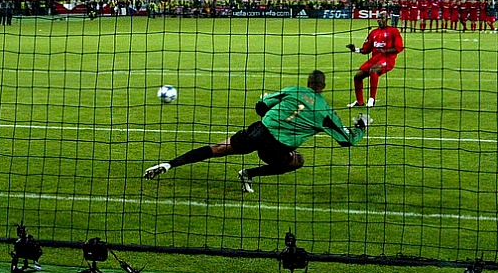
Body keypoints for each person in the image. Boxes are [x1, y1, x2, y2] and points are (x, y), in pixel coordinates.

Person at [143, 70, 371, 193]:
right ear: (322, 87)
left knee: (217, 149)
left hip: (260, 132)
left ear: (308, 82)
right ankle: (249, 174)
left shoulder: (293, 90)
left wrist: (268, 111)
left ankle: (167, 165)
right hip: (277, 149)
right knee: (297, 161)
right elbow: (346, 140)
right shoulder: (326, 111)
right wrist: (361, 125)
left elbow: (261, 106)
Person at [345, 11, 404, 108]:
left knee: (373, 71)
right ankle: (359, 102)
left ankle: (372, 99)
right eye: (378, 18)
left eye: (382, 18)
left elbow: (399, 48)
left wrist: (386, 51)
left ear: (387, 19)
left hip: (387, 59)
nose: (380, 20)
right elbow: (366, 49)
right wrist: (354, 49)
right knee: (357, 76)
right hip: (374, 59)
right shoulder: (373, 33)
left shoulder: (393, 31)